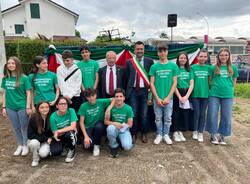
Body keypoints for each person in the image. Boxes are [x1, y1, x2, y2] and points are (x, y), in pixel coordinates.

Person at [206, 48, 238, 145]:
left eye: (226, 55)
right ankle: (213, 135)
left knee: (226, 116)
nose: (224, 57)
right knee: (212, 114)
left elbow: (234, 81)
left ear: (229, 56)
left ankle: (222, 136)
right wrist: (213, 88)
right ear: (218, 56)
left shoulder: (233, 67)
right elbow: (209, 80)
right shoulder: (213, 67)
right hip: (214, 94)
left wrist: (231, 89)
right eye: (221, 55)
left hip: (227, 95)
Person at [1, 57, 32, 156]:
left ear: (17, 65)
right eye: (9, 63)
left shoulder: (24, 78)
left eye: (13, 63)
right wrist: (4, 107)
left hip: (22, 106)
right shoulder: (5, 78)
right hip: (10, 107)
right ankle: (20, 145)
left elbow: (29, 94)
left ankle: (26, 145)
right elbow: (4, 94)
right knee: (16, 127)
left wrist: (28, 107)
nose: (10, 65)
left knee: (24, 127)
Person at [125, 41, 154, 143]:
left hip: (145, 91)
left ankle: (144, 133)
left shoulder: (149, 61)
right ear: (134, 50)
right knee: (134, 114)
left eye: (141, 49)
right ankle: (133, 134)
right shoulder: (129, 62)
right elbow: (126, 77)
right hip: (133, 91)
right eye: (138, 49)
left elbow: (151, 77)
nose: (139, 51)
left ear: (144, 50)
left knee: (144, 114)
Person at [149, 45, 179, 145]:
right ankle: (159, 134)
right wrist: (157, 98)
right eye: (160, 51)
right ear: (157, 53)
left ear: (167, 52)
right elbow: (151, 83)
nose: (162, 53)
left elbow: (175, 83)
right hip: (157, 98)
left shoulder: (173, 66)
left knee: (168, 118)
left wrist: (168, 97)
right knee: (158, 118)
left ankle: (166, 134)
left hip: (169, 98)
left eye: (164, 51)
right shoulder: (154, 67)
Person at [78, 88, 112, 156]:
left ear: (96, 95)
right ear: (86, 97)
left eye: (93, 95)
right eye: (89, 96)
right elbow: (81, 122)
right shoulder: (83, 106)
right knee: (88, 146)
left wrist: (109, 108)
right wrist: (86, 136)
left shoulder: (100, 102)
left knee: (98, 127)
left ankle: (97, 144)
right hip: (88, 127)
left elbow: (113, 99)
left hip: (99, 125)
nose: (91, 98)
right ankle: (91, 141)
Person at [105, 88, 134, 158]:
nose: (118, 98)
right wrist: (115, 123)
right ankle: (114, 147)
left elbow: (130, 124)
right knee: (110, 128)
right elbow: (105, 121)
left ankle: (120, 141)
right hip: (114, 128)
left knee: (127, 147)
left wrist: (122, 126)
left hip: (124, 129)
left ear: (124, 98)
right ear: (114, 98)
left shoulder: (128, 108)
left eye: (121, 96)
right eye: (116, 96)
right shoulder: (111, 107)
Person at [172, 52, 194, 142]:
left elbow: (192, 84)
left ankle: (180, 131)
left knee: (183, 112)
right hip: (177, 92)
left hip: (187, 93)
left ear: (187, 59)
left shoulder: (189, 70)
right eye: (181, 58)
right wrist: (180, 97)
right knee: (176, 112)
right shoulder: (175, 69)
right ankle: (175, 131)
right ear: (178, 59)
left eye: (184, 58)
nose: (183, 59)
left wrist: (186, 97)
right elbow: (174, 84)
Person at [190, 49, 210, 142]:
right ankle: (195, 131)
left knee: (203, 114)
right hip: (195, 95)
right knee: (196, 113)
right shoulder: (193, 67)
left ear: (207, 57)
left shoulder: (209, 68)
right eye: (201, 56)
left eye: (205, 56)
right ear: (197, 57)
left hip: (205, 95)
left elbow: (210, 81)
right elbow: (191, 81)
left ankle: (200, 132)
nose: (202, 58)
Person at [50, 97, 78, 163]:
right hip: (60, 137)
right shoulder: (53, 117)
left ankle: (72, 150)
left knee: (70, 134)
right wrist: (67, 128)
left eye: (65, 104)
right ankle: (65, 146)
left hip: (69, 134)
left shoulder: (71, 111)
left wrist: (59, 130)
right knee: (55, 152)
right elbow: (55, 133)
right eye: (61, 104)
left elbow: (73, 126)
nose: (63, 106)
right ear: (57, 106)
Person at [28, 101, 53, 167]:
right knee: (34, 143)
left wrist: (50, 138)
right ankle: (35, 159)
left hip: (45, 142)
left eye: (47, 107)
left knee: (43, 154)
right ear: (38, 109)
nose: (45, 109)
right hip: (35, 140)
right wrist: (45, 138)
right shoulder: (33, 118)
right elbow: (30, 135)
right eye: (42, 107)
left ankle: (39, 150)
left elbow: (52, 132)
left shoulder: (51, 117)